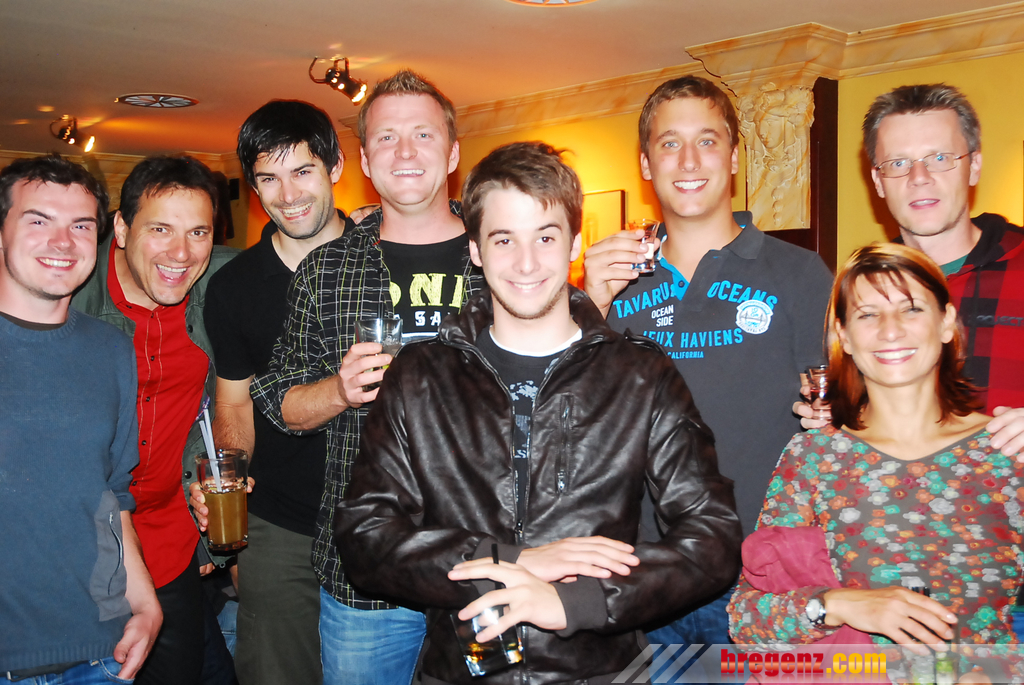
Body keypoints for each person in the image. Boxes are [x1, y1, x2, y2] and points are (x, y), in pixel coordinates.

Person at [334, 140, 741, 685]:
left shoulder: (641, 374)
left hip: (600, 671)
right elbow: (364, 536)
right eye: (504, 239)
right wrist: (510, 560)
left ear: (575, 242)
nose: (526, 263)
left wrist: (577, 602)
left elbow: (712, 537)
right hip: (459, 672)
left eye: (546, 237)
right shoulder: (419, 375)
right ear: (475, 250)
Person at [582, 76, 834, 657]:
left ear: (735, 156)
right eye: (669, 143)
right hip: (641, 569)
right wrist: (589, 303)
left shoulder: (800, 274)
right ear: (645, 164)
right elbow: (570, 418)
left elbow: (842, 413)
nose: (689, 161)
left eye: (707, 141)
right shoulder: (611, 284)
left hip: (764, 573)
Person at [250, 70, 484, 685]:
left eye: (423, 134)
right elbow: (277, 400)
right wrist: (338, 390)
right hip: (366, 574)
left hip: (486, 564)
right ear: (363, 160)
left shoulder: (503, 255)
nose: (404, 152)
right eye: (386, 137)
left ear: (452, 153)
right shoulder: (325, 271)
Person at [729, 243, 1021, 680]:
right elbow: (746, 621)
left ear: (946, 322)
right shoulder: (815, 456)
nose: (890, 330)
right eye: (867, 315)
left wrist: (1000, 675)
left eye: (911, 309)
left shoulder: (1006, 450)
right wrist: (838, 605)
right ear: (844, 336)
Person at [189, 99, 354, 685]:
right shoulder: (233, 286)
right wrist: (230, 488)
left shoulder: (383, 260)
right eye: (268, 178)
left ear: (335, 166)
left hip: (380, 518)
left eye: (303, 171)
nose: (288, 195)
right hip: (279, 527)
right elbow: (233, 402)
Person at [72, 155, 238, 684]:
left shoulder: (223, 284)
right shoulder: (67, 292)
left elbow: (298, 258)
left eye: (198, 232)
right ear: (121, 229)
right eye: (160, 229)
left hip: (168, 542)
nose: (181, 253)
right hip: (74, 545)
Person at [0, 155, 162, 682]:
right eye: (39, 220)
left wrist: (146, 604)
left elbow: (111, 494)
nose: (63, 242)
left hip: (99, 654)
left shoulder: (111, 349)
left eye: (81, 226)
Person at [856, 83, 1024, 458]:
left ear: (974, 166)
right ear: (878, 181)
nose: (919, 177)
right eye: (898, 163)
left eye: (939, 157)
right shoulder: (861, 292)